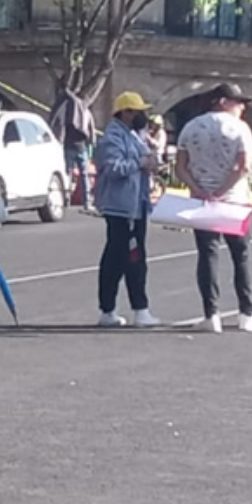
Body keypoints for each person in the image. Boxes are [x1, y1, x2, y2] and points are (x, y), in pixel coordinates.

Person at [175, 83, 252, 334]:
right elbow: (244, 166)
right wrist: (222, 190)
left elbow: (180, 166)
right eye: (238, 101)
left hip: (202, 201)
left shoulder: (191, 127)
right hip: (234, 200)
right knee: (241, 256)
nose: (242, 107)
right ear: (222, 101)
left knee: (207, 255)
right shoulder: (240, 128)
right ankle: (247, 312)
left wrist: (200, 190)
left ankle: (211, 314)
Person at [92, 91, 161, 328]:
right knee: (133, 258)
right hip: (122, 208)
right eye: (138, 111)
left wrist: (151, 160)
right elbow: (112, 168)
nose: (143, 115)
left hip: (134, 205)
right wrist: (140, 163)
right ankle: (140, 309)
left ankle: (108, 309)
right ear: (125, 113)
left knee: (114, 258)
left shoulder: (133, 136)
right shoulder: (113, 138)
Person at [50, 87, 96, 210]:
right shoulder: (85, 109)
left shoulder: (67, 106)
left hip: (69, 145)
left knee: (68, 173)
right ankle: (87, 203)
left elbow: (58, 122)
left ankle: (67, 200)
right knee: (84, 175)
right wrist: (92, 143)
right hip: (82, 146)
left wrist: (58, 140)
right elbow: (92, 128)